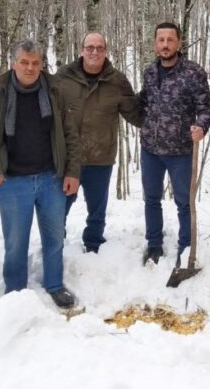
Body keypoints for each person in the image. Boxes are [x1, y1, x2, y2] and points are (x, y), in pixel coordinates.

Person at [0, 40, 82, 310]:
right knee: (15, 242)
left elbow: (70, 134)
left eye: (35, 63)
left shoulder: (55, 91)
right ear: (13, 63)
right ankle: (15, 290)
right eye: (24, 62)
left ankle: (55, 285)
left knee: (54, 237)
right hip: (12, 181)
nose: (30, 68)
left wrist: (71, 172)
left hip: (51, 178)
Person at [57, 32, 142, 253]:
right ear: (81, 50)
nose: (94, 52)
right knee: (60, 205)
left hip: (101, 155)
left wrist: (159, 102)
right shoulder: (63, 77)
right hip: (67, 157)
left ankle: (94, 243)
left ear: (105, 51)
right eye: (90, 47)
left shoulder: (117, 81)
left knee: (97, 208)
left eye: (99, 48)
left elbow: (136, 115)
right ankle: (55, 241)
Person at [138, 22, 210, 265]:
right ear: (155, 43)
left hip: (181, 150)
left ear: (179, 43)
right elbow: (143, 102)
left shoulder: (193, 72)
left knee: (183, 201)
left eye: (171, 40)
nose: (165, 45)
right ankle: (154, 245)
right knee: (151, 199)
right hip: (151, 149)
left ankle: (186, 247)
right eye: (161, 40)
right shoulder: (149, 72)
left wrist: (201, 126)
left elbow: (205, 106)